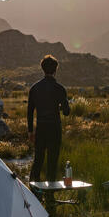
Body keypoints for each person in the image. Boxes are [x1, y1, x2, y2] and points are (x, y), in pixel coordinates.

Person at [28, 54, 70, 183]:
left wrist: (30, 131)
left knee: (38, 160)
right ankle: (50, 196)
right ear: (56, 70)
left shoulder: (34, 88)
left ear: (42, 69)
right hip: (54, 128)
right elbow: (67, 112)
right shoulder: (60, 89)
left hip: (40, 127)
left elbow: (29, 112)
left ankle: (34, 191)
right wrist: (59, 108)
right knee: (52, 162)